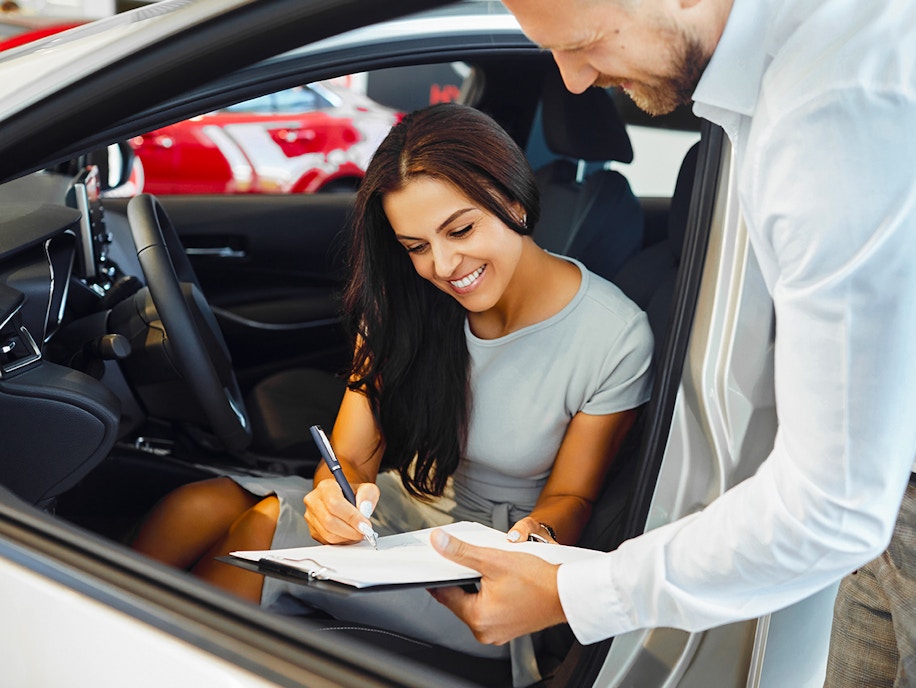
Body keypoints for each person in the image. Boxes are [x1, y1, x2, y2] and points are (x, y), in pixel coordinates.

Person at [427, 0, 916, 685]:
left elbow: (831, 508)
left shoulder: (850, 103)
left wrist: (573, 595)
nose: (576, 81)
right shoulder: (801, 60)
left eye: (584, 43)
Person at [132, 103, 654, 685]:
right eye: (416, 246)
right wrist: (333, 498)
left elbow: (573, 499)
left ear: (512, 199)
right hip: (401, 509)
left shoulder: (613, 335)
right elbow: (349, 458)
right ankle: (98, 639)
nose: (445, 265)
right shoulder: (405, 303)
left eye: (460, 230)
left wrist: (539, 542)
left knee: (259, 525)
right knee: (198, 501)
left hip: (490, 561)